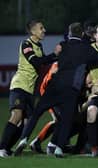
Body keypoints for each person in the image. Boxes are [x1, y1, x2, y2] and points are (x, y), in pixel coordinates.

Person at [14, 22, 98, 157]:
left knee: (37, 113)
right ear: (83, 34)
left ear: (69, 33)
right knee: (66, 120)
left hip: (54, 85)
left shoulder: (62, 45)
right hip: (71, 89)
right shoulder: (87, 48)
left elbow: (53, 58)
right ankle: (59, 148)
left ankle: (24, 138)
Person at [0, 19, 58, 158]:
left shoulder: (39, 46)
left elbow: (43, 63)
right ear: (33, 31)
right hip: (20, 85)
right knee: (17, 115)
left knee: (26, 123)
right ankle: (1, 148)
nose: (44, 30)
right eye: (41, 28)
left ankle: (7, 148)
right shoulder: (26, 44)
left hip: (30, 90)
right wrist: (54, 55)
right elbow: (36, 62)